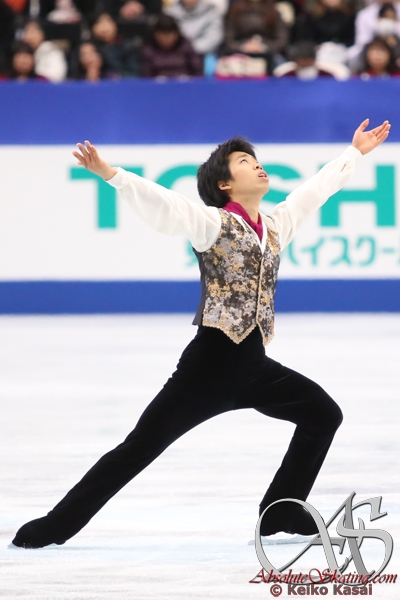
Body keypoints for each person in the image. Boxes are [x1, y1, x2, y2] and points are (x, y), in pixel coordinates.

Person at [12, 119, 390, 549]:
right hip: (207, 369)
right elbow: (166, 203)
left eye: (256, 159)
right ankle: (54, 525)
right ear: (225, 184)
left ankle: (281, 511)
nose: (257, 165)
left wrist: (353, 153)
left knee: (323, 414)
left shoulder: (275, 225)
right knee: (140, 447)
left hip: (255, 367)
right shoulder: (212, 223)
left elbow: (314, 192)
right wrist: (112, 174)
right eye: (244, 162)